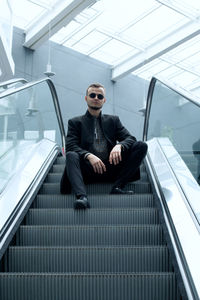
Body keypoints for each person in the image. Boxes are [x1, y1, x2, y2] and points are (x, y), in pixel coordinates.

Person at [60, 83, 148, 209]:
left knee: (141, 145)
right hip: (87, 170)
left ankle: (117, 187)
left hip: (111, 167)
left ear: (104, 100)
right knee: (71, 155)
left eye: (100, 96)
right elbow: (70, 145)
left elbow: (130, 138)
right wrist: (88, 155)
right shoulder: (75, 122)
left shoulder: (113, 120)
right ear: (86, 98)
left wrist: (120, 146)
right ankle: (82, 197)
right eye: (92, 95)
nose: (96, 98)